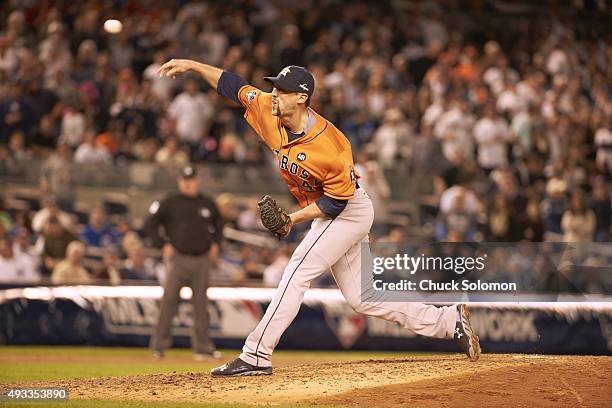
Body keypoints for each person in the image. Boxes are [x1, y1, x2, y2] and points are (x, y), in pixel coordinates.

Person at [158, 59, 481, 376]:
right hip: (332, 210)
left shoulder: (330, 146)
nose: (274, 95)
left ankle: (256, 353)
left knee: (296, 270)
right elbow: (232, 85)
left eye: (282, 91)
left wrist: (291, 219)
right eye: (274, 88)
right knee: (362, 298)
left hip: (348, 210)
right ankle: (447, 321)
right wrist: (193, 66)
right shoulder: (268, 108)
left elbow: (335, 204)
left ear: (301, 97)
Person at [144, 164, 224, 361]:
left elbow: (220, 224)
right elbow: (150, 223)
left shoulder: (207, 203)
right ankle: (159, 346)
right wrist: (162, 244)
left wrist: (216, 244)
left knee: (201, 306)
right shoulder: (170, 202)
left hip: (202, 259)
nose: (188, 184)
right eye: (185, 180)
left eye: (191, 180)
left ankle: (202, 348)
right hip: (178, 259)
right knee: (168, 302)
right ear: (180, 181)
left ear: (197, 180)